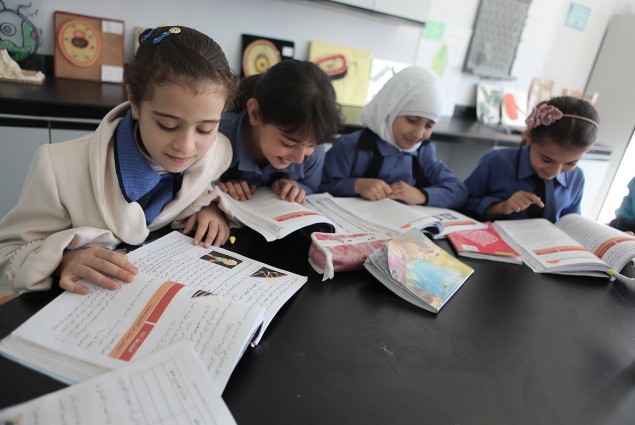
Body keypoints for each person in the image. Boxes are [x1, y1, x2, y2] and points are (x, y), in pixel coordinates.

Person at [0, 25, 238, 298]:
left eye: (205, 129)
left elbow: (205, 184)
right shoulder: (57, 168)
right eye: (167, 125)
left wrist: (209, 207)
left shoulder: (217, 152)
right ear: (134, 102)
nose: (186, 146)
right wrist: (60, 261)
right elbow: (7, 253)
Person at [319, 66, 467, 208]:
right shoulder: (350, 146)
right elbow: (318, 187)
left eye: (429, 125)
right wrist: (356, 185)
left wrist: (421, 195)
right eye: (412, 120)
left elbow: (459, 192)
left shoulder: (423, 153)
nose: (419, 133)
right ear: (389, 111)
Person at [218, 59, 342, 204]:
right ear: (255, 113)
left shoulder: (312, 147)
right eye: (288, 143)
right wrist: (218, 188)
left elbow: (311, 186)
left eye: (312, 145)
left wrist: (297, 187)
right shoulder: (216, 135)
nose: (299, 159)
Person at [463, 96, 599, 222]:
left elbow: (570, 221)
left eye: (570, 163)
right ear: (529, 136)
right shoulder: (496, 162)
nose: (554, 172)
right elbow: (464, 204)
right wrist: (501, 207)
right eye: (546, 159)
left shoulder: (576, 178)